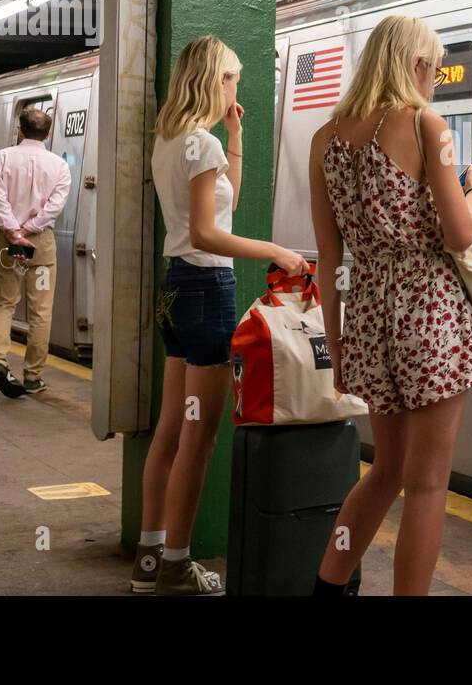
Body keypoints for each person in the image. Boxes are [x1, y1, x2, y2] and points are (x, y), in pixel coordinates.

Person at [307, 14, 472, 596]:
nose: (434, 79)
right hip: (430, 311)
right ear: (414, 65)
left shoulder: (325, 138)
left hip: (365, 311)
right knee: (429, 482)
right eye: (433, 68)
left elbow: (327, 256)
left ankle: (329, 585)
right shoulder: (424, 124)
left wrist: (335, 339)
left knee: (384, 471)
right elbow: (459, 235)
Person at [133, 35, 310, 597]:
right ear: (214, 80)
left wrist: (236, 136)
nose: (237, 86)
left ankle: (149, 560)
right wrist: (277, 251)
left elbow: (218, 201)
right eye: (231, 77)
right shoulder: (198, 145)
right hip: (208, 289)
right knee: (199, 435)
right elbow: (213, 233)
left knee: (168, 429)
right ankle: (178, 566)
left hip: (175, 292)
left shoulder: (172, 140)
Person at [0, 107, 71, 398]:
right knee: (41, 311)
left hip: (7, 243)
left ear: (19, 130)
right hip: (41, 245)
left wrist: (13, 231)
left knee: (3, 303)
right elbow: (54, 207)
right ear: (47, 134)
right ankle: (33, 377)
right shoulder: (59, 166)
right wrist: (29, 230)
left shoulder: (1, 158)